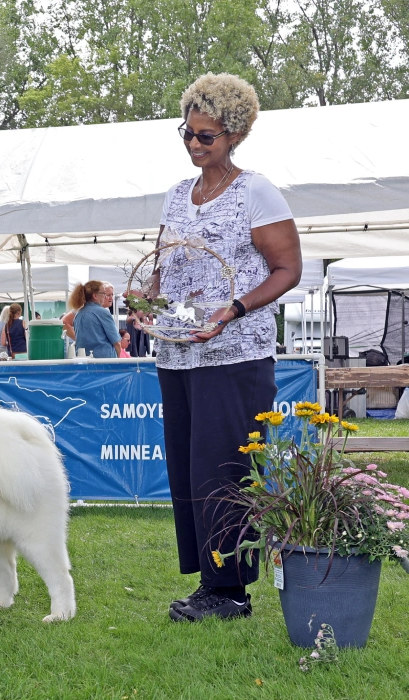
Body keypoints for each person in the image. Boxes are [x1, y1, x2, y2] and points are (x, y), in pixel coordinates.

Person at [155, 73, 301, 622]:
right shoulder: (176, 194)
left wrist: (233, 309)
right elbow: (164, 263)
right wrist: (148, 297)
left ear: (233, 135)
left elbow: (288, 269)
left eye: (206, 136)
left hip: (234, 356)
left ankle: (232, 592)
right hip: (179, 353)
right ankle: (210, 584)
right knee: (191, 470)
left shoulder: (256, 192)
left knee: (224, 470)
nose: (195, 144)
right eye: (187, 134)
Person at [62, 282, 120, 358]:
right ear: (95, 296)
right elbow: (116, 342)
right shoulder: (103, 313)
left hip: (82, 357)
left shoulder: (78, 313)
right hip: (104, 360)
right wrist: (118, 358)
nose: (105, 297)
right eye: (104, 294)